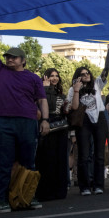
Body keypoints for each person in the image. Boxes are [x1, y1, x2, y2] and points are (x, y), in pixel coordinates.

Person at [0, 36, 49, 213]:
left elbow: (42, 100)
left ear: (23, 60)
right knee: (4, 163)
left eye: (14, 57)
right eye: (8, 56)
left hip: (27, 122)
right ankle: (2, 199)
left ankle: (28, 196)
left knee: (28, 162)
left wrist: (45, 120)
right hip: (4, 122)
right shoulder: (0, 70)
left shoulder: (33, 78)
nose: (10, 59)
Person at [67, 45, 109, 196]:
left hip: (99, 119)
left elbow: (106, 70)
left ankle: (99, 185)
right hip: (83, 121)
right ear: (78, 76)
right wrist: (76, 89)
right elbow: (73, 108)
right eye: (82, 73)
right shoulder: (73, 89)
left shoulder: (97, 84)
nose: (86, 75)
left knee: (99, 154)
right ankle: (85, 186)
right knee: (84, 155)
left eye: (87, 73)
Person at [35, 68, 71, 200]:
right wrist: (46, 88)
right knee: (46, 158)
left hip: (61, 128)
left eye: (56, 76)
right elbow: (46, 106)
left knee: (60, 159)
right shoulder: (41, 90)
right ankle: (46, 191)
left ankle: (59, 190)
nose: (54, 78)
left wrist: (66, 107)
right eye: (51, 76)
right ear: (45, 77)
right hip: (47, 126)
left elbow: (61, 111)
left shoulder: (60, 92)